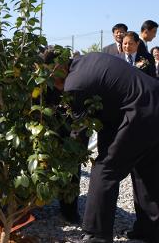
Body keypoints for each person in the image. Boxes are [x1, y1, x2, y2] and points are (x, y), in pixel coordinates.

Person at [47, 50, 159, 243]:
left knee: (104, 170)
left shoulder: (74, 84)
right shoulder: (88, 60)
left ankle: (96, 235)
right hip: (153, 103)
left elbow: (79, 132)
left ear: (58, 67)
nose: (53, 85)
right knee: (145, 170)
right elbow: (108, 109)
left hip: (139, 112)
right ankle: (150, 231)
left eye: (51, 78)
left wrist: (68, 159)